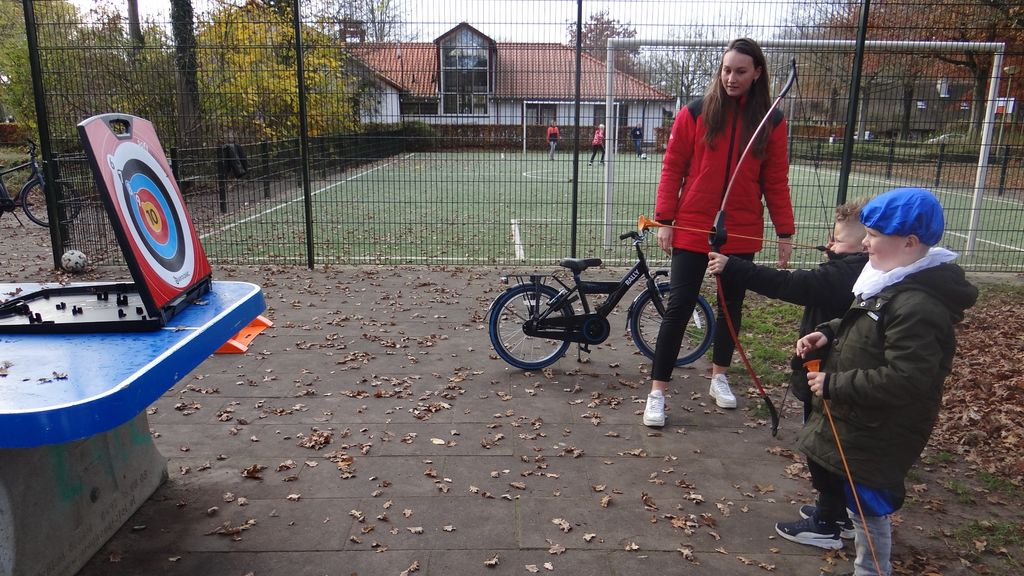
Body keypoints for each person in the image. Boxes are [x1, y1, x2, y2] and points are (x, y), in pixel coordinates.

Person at [775, 188, 977, 575]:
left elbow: (907, 377)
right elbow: (863, 323)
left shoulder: (918, 304)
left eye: (873, 235)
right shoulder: (889, 279)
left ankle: (872, 568)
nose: (864, 241)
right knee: (854, 494)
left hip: (880, 428)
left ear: (909, 242)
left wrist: (835, 384)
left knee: (869, 503)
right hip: (860, 420)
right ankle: (847, 527)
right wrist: (828, 333)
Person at [642, 37, 794, 428]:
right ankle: (657, 392)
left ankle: (720, 376)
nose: (731, 77)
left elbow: (775, 181)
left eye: (740, 71)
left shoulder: (771, 122)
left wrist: (785, 232)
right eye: (726, 70)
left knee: (731, 308)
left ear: (757, 73)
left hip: (740, 231)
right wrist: (665, 220)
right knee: (678, 308)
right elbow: (672, 168)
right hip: (693, 228)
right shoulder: (694, 113)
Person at [707, 198, 869, 423]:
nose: (830, 245)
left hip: (830, 367)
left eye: (839, 241)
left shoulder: (845, 275)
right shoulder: (857, 268)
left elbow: (789, 284)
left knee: (821, 422)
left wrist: (732, 266)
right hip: (828, 363)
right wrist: (837, 254)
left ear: (865, 245)